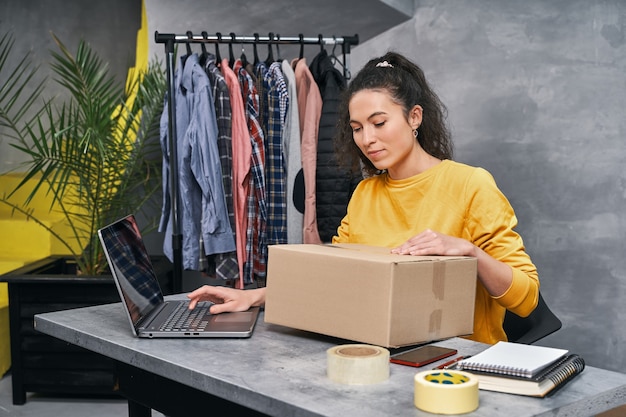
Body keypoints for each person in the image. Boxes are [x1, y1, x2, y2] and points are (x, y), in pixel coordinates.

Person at [187, 51, 539, 345]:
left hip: (457, 367)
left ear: (414, 117)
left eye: (379, 123)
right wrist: (254, 296)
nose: (367, 139)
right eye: (357, 128)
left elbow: (526, 300)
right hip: (381, 356)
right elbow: (334, 275)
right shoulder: (365, 193)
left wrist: (469, 251)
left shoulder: (470, 184)